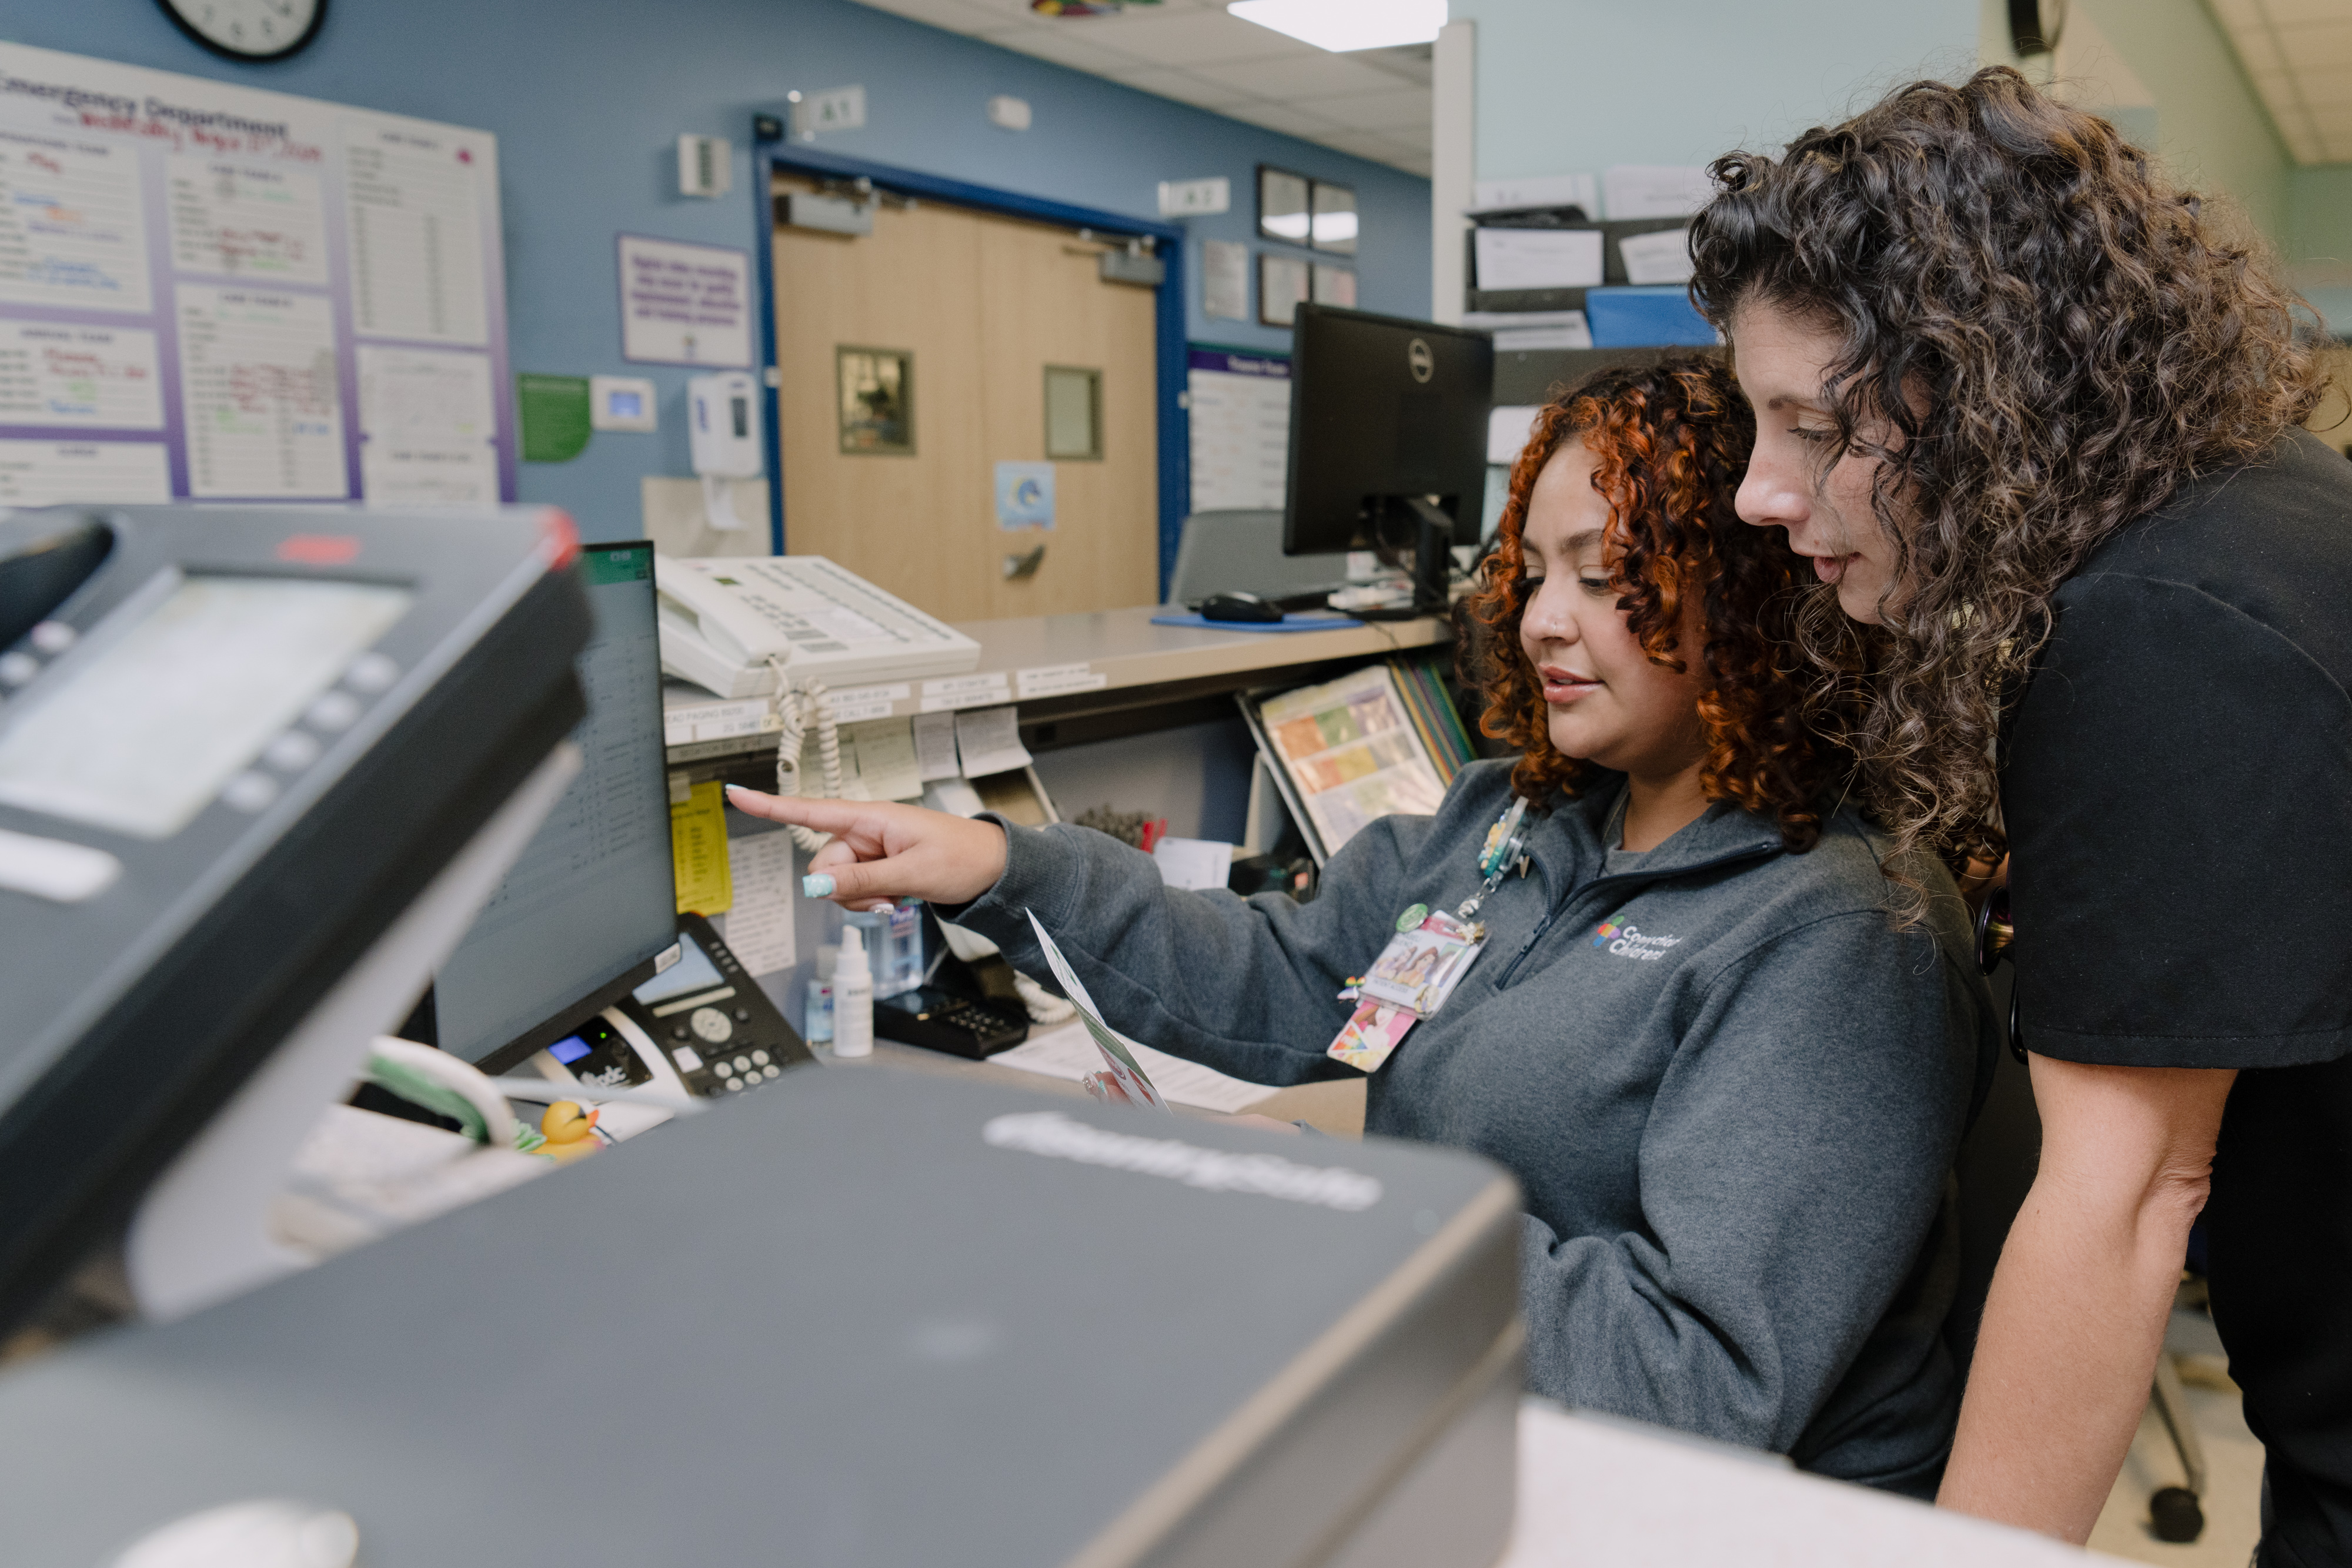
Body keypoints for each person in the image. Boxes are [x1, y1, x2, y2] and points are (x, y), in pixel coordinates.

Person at [731, 356, 1997, 1493]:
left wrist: (1327, 1210)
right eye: (1535, 571)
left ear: (1752, 595)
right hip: (1464, 1391)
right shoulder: (1517, 814)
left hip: (1688, 1499)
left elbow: (1692, 1375)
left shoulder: (1837, 929)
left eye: (1605, 579)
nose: (1542, 618)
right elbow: (1295, 979)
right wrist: (1005, 867)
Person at [1689, 66, 2352, 1559]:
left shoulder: (2156, 626)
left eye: (1810, 427)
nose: (1757, 490)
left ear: (1977, 394)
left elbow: (2124, 1201)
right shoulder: (2256, 501)